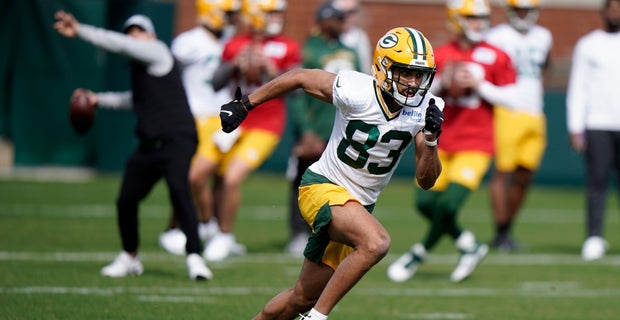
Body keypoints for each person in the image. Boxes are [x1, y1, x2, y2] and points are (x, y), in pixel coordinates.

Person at [220, 26, 444, 320]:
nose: (414, 83)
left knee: (301, 297)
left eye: (420, 74)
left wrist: (430, 140)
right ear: (384, 67)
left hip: (358, 206)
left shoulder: (426, 107)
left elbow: (426, 180)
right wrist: (246, 103)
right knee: (376, 243)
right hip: (323, 186)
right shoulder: (356, 90)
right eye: (406, 73)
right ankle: (317, 318)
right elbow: (299, 76)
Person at [53, 11, 212, 280]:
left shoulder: (158, 51)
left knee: (178, 189)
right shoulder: (141, 70)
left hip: (177, 137)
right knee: (126, 199)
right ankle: (130, 257)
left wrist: (79, 29)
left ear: (151, 35)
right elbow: (135, 100)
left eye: (139, 31)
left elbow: (119, 45)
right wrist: (97, 99)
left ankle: (195, 257)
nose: (134, 36)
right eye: (130, 32)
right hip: (150, 143)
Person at [387, 0, 517, 283]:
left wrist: (481, 85)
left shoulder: (496, 55)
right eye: (471, 18)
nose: (478, 24)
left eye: (482, 18)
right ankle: (468, 245)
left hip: (476, 143)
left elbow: (513, 97)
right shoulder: (440, 55)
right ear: (455, 20)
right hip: (440, 142)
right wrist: (441, 82)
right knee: (424, 202)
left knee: (447, 206)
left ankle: (418, 254)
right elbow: (418, 95)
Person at [202, 0, 302, 261]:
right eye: (272, 12)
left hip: (266, 125)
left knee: (233, 177)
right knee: (207, 174)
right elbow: (215, 82)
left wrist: (273, 72)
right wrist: (234, 64)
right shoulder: (235, 44)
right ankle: (212, 227)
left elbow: (296, 90)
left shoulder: (287, 46)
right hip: (232, 121)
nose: (277, 17)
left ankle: (224, 235)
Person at [158, 0, 241, 256]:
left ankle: (206, 229)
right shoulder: (188, 42)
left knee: (218, 178)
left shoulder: (229, 39)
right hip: (194, 116)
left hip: (220, 117)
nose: (231, 19)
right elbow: (169, 75)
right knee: (190, 176)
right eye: (227, 13)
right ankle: (202, 226)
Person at [284, 1, 361, 256]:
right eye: (337, 19)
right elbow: (296, 95)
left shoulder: (351, 51)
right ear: (325, 21)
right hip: (314, 128)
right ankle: (298, 233)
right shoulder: (307, 50)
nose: (342, 24)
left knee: (343, 185)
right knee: (305, 181)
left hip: (342, 131)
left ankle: (333, 234)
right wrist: (306, 131)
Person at [484, 0, 553, 252]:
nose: (523, 15)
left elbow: (545, 67)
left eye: (527, 9)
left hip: (535, 111)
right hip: (507, 109)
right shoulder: (496, 36)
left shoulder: (544, 36)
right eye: (519, 9)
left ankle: (506, 230)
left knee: (525, 174)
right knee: (504, 171)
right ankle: (501, 231)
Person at [566, 0, 620, 261]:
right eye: (613, 7)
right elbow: (578, 86)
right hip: (598, 123)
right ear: (604, 11)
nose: (616, 12)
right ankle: (594, 237)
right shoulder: (589, 44)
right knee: (597, 182)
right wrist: (576, 126)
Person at [332, 0, 372, 73]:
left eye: (352, 12)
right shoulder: (327, 35)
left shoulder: (360, 37)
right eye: (343, 12)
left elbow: (365, 67)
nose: (347, 16)